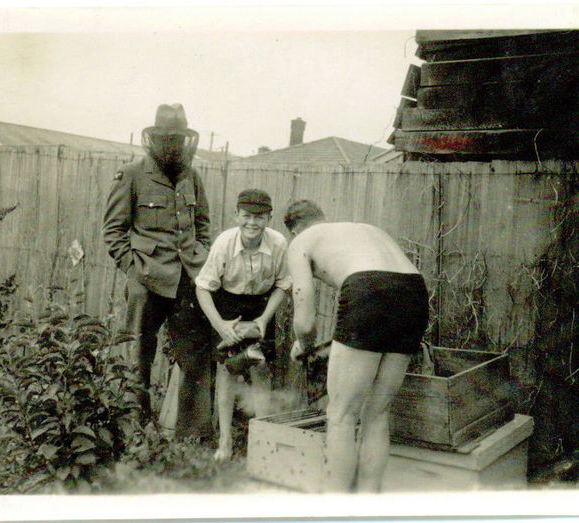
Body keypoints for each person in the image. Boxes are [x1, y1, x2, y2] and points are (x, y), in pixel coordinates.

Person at [283, 200, 429, 492]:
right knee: (376, 414)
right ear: (323, 218)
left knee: (341, 416)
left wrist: (304, 345)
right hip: (414, 291)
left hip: (369, 287)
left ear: (293, 230)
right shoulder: (362, 230)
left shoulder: (301, 241)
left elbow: (305, 318)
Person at [102, 103, 214, 440]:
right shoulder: (132, 175)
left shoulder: (191, 176)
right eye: (166, 139)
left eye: (178, 139)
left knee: (195, 359)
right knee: (138, 356)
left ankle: (190, 438)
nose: (172, 146)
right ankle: (137, 430)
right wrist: (134, 270)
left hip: (187, 282)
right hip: (146, 281)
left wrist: (200, 255)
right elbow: (113, 231)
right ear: (154, 139)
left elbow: (202, 224)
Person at [195, 189, 291, 461]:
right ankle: (225, 442)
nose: (252, 223)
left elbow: (283, 285)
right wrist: (221, 325)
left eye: (259, 217)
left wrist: (264, 318)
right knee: (228, 372)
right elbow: (203, 288)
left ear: (269, 218)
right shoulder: (224, 243)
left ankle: (263, 441)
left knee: (260, 369)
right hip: (227, 306)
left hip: (261, 306)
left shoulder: (279, 244)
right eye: (246, 216)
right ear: (236, 215)